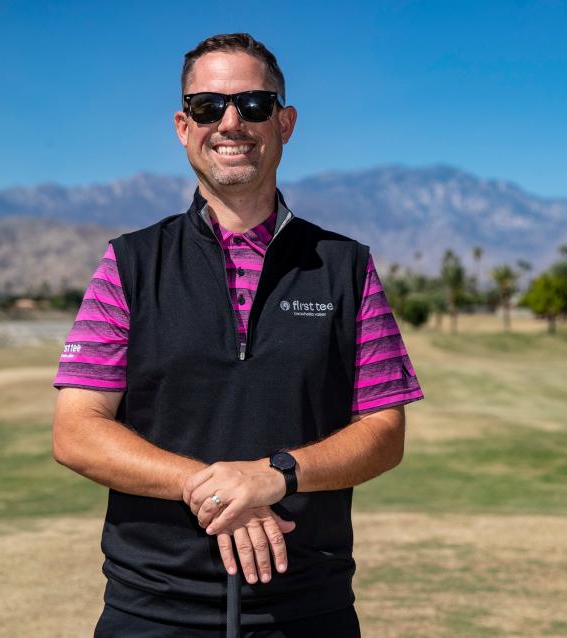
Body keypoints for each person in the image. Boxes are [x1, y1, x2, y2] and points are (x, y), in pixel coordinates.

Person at [51, 33, 424, 636]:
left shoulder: (346, 265)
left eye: (253, 105)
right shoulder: (130, 263)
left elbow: (384, 433)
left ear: (285, 122)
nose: (230, 122)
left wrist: (276, 473)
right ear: (182, 124)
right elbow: (76, 431)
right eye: (207, 106)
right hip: (152, 607)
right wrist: (222, 488)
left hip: (307, 608)